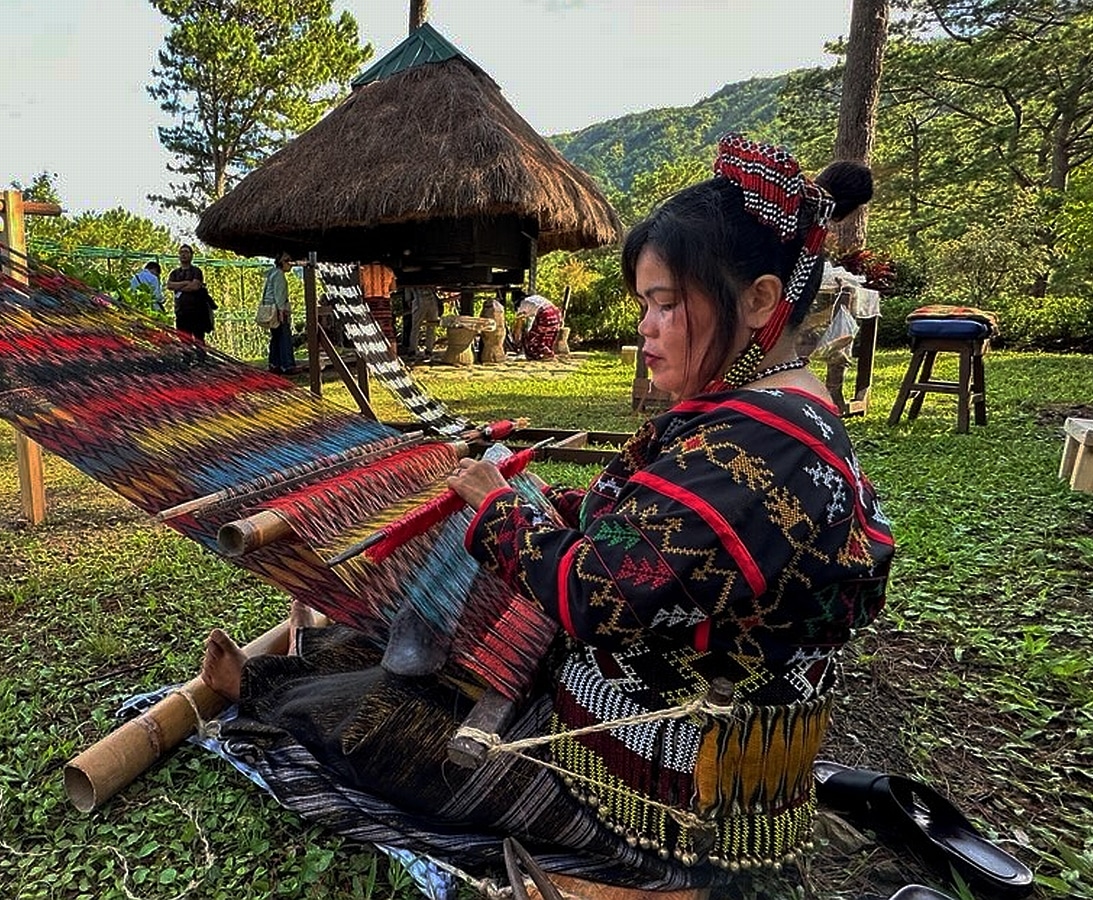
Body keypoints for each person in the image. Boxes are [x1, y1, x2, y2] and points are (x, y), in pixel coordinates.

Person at [201, 135, 893, 892]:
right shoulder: (762, 417)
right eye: (644, 305)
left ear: (760, 299)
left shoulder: (767, 447)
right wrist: (549, 504)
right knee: (375, 654)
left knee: (372, 732)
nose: (647, 328)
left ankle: (261, 694)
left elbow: (597, 593)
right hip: (652, 729)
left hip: (656, 783)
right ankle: (287, 680)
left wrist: (501, 511)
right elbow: (653, 528)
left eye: (667, 305)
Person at [167, 244, 215, 342]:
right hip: (181, 312)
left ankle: (200, 357)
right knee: (184, 340)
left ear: (191, 255)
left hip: (197, 312)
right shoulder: (174, 273)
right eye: (181, 252)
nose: (183, 254)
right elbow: (169, 285)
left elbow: (195, 286)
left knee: (198, 339)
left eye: (186, 252)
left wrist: (179, 286)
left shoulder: (196, 271)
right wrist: (186, 283)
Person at [264, 252, 297, 374]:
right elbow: (279, 295)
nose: (290, 264)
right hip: (278, 310)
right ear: (282, 262)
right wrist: (282, 311)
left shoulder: (272, 273)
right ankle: (287, 364)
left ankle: (275, 363)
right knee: (284, 336)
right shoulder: (279, 275)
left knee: (276, 336)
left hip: (272, 309)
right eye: (288, 261)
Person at [513, 293, 563, 360]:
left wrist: (516, 339)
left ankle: (538, 354)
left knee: (532, 338)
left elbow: (518, 326)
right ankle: (547, 353)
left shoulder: (522, 304)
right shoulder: (536, 297)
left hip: (546, 314)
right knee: (548, 336)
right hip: (556, 314)